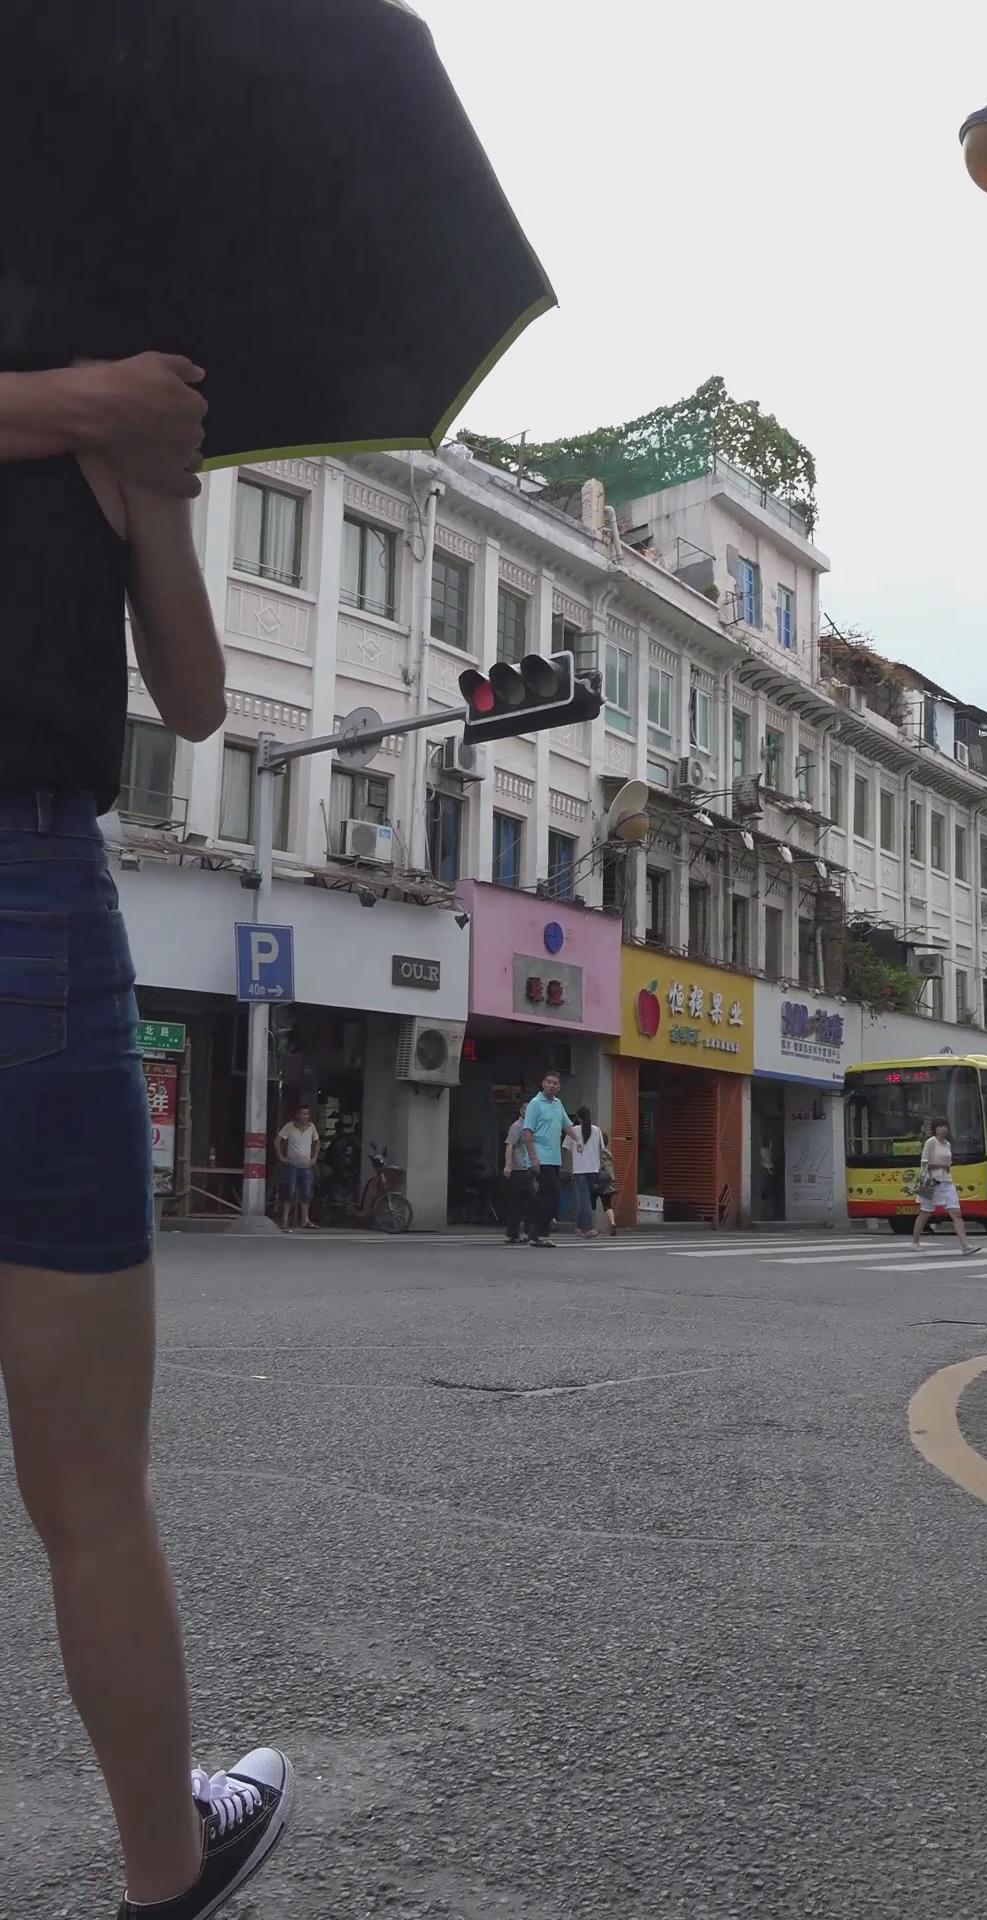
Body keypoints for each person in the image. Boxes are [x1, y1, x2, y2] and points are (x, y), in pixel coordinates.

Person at [0, 351, 292, 1919]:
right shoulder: (108, 379)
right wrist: (111, 436)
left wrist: (150, 476)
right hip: (31, 899)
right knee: (93, 1490)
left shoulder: (110, 398)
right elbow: (193, 704)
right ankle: (165, 1871)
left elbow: (194, 703)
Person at [912, 1116, 980, 1255]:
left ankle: (965, 1246)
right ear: (935, 1129)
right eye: (940, 1127)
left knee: (956, 1213)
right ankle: (915, 1242)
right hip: (929, 1182)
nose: (943, 1129)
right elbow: (925, 1164)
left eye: (945, 1127)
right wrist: (943, 1165)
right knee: (925, 1213)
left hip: (946, 1182)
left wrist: (946, 1166)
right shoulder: (930, 1142)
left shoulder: (947, 1144)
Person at [522, 1070, 573, 1248]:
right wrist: (533, 1158)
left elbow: (567, 1126)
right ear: (543, 1084)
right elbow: (527, 1131)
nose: (551, 1085)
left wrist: (580, 1141)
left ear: (559, 1087)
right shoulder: (535, 1104)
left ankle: (534, 1232)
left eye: (555, 1083)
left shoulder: (558, 1104)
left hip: (554, 1158)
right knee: (552, 1193)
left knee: (547, 1196)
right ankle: (538, 1233)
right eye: (549, 1082)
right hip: (540, 1157)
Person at [276, 1103, 320, 1231]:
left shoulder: (311, 1127)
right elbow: (277, 1141)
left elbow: (317, 1142)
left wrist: (314, 1158)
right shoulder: (289, 1127)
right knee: (289, 1193)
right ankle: (285, 1220)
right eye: (303, 1114)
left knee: (306, 1194)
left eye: (307, 1114)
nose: (305, 1116)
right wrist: (281, 1157)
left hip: (306, 1166)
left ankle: (305, 1220)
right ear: (297, 1115)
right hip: (292, 1165)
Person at [569, 1106, 608, 1239]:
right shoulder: (596, 1130)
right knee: (586, 1198)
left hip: (579, 1169)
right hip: (593, 1169)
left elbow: (567, 1148)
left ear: (578, 1118)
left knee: (584, 1198)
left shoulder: (573, 1130)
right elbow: (602, 1149)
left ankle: (584, 1227)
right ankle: (585, 1227)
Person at [502, 1101, 534, 1246]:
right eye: (525, 1109)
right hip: (518, 1169)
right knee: (519, 1202)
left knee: (527, 1202)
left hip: (529, 1168)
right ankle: (515, 1232)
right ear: (521, 1110)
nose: (528, 1112)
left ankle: (519, 1232)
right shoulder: (517, 1126)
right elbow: (510, 1145)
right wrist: (508, 1165)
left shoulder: (531, 1126)